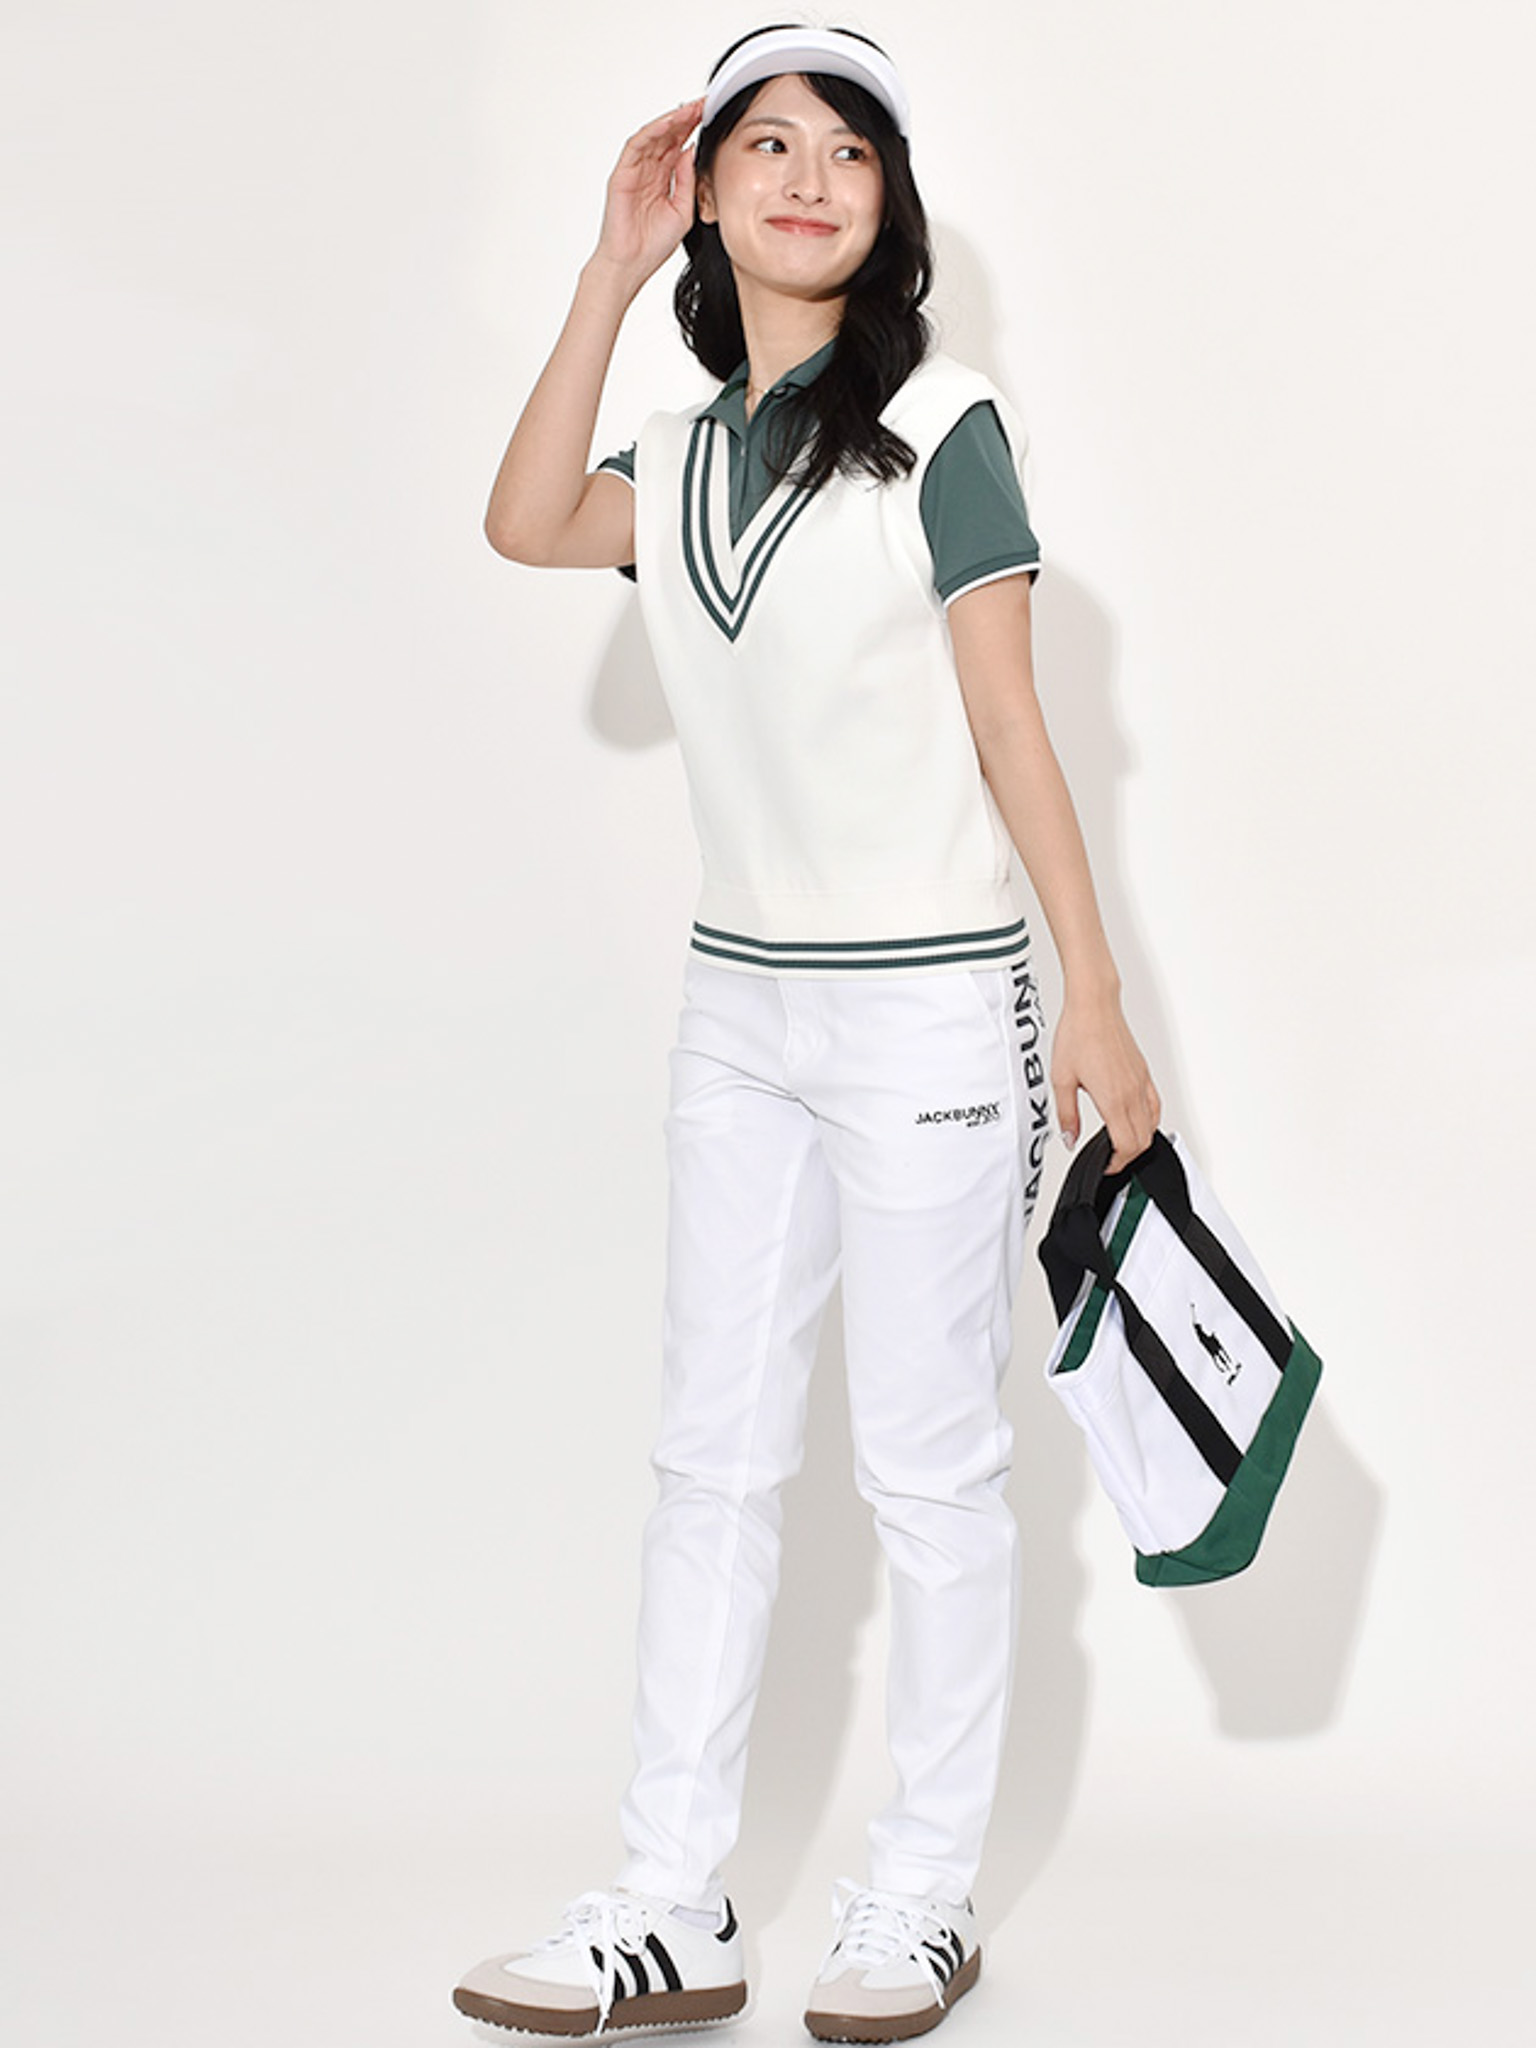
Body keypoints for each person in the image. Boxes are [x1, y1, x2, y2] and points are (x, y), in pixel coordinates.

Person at [453, 23, 1160, 2043]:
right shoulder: (676, 452)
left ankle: (920, 1896)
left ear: (889, 202)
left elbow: (1015, 722)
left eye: (848, 149)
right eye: (766, 142)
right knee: (712, 1456)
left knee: (930, 1469)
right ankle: (671, 1901)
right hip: (738, 1011)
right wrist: (609, 270)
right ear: (710, 191)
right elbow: (522, 520)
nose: (806, 175)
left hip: (933, 1001)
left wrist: (1095, 994)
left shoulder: (946, 424)